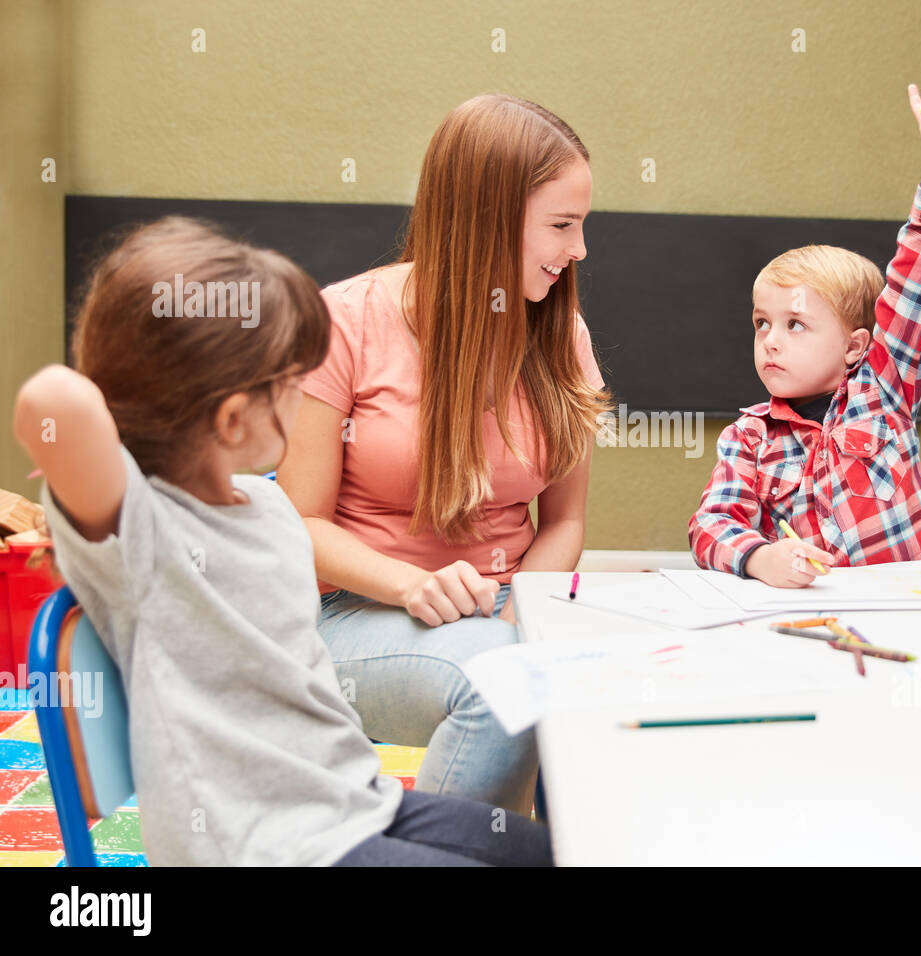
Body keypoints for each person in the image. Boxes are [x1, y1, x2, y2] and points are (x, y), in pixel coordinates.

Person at [13, 218, 552, 864]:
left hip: (352, 806)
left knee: (555, 852)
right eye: (291, 380)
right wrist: (135, 395)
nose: (309, 393)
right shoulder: (144, 530)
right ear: (234, 417)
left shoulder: (270, 505)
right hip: (258, 848)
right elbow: (49, 401)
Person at [278, 94, 608, 812]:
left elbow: (565, 525)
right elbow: (297, 527)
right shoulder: (342, 322)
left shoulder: (563, 335)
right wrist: (409, 585)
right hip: (353, 617)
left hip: (504, 617)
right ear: (485, 219)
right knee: (505, 683)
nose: (578, 250)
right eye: (561, 226)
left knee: (594, 691)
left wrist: (518, 611)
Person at [688, 84, 921, 587]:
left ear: (856, 346)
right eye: (762, 323)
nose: (770, 340)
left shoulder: (884, 390)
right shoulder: (748, 439)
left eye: (795, 325)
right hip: (812, 622)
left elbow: (918, 284)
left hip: (913, 614)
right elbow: (710, 525)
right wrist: (757, 557)